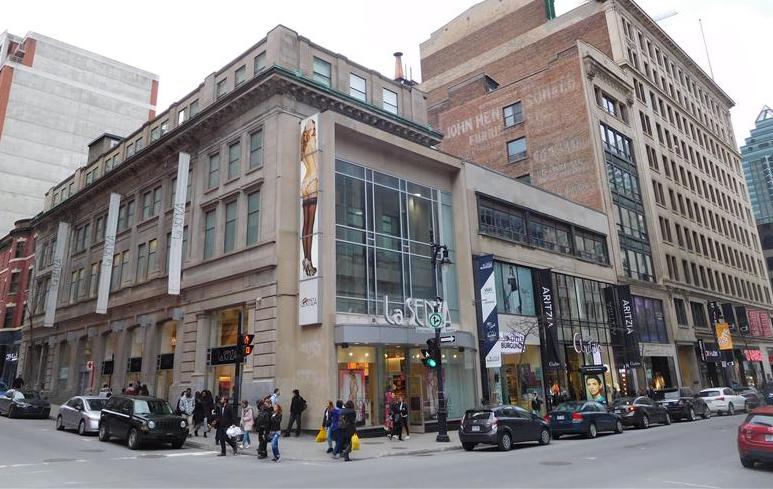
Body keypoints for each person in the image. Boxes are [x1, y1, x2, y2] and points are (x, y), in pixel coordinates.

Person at [300, 117, 319, 277]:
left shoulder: (303, 145)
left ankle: (306, 258)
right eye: (312, 127)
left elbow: (307, 164)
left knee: (305, 225)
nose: (313, 129)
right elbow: (317, 166)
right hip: (312, 182)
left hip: (304, 183)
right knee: (310, 226)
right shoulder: (313, 142)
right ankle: (309, 260)